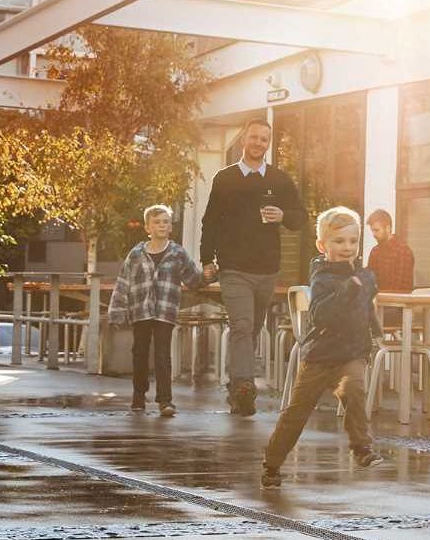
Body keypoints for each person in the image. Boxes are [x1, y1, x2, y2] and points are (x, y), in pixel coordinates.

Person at [260, 207, 383, 488]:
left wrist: (375, 334)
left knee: (354, 389)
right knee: (297, 412)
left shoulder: (363, 275)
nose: (347, 248)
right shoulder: (322, 277)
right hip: (321, 356)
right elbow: (321, 314)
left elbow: (366, 307)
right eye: (339, 242)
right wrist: (349, 288)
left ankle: (362, 449)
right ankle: (272, 463)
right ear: (322, 245)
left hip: (352, 352)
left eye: (353, 241)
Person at [199, 117, 307, 416]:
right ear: (243, 140)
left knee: (251, 328)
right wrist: (208, 259)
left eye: (264, 140)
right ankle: (244, 387)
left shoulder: (279, 180)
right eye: (254, 137)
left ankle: (236, 384)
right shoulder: (225, 178)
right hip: (233, 268)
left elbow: (301, 218)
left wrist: (283, 215)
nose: (258, 143)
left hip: (267, 269)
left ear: (268, 144)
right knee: (242, 327)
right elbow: (210, 222)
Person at [107, 204, 216, 418]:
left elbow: (193, 280)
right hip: (141, 311)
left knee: (162, 354)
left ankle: (165, 401)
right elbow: (123, 283)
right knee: (139, 353)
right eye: (157, 222)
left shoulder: (177, 253)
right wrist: (117, 311)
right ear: (148, 227)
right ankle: (138, 397)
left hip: (165, 311)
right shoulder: (136, 253)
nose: (162, 225)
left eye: (166, 222)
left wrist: (211, 275)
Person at [364, 209, 414, 293]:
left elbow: (402, 287)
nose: (374, 234)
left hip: (397, 302)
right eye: (372, 230)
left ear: (388, 228)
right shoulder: (375, 251)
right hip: (378, 302)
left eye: (376, 230)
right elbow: (370, 280)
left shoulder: (403, 251)